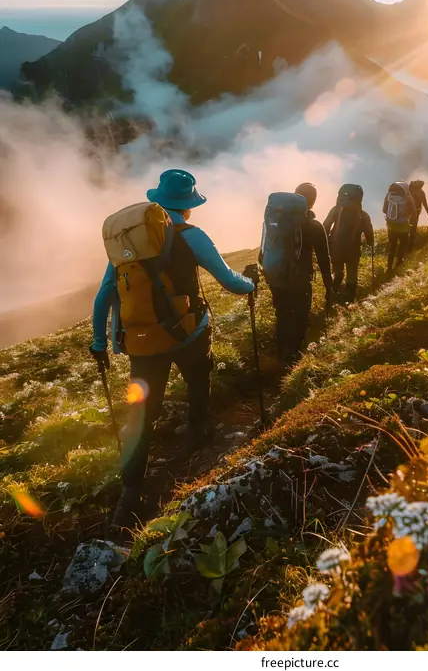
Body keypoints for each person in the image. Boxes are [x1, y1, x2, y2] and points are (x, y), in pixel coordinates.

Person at [90, 169, 257, 527]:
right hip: (188, 333)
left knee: (142, 414)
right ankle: (199, 432)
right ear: (189, 204)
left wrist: (99, 342)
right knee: (198, 377)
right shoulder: (192, 234)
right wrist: (251, 283)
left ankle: (131, 493)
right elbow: (229, 281)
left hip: (142, 342)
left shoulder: (130, 243)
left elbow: (105, 293)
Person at [261, 183, 332, 366]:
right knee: (300, 316)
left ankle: (280, 352)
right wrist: (328, 286)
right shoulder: (314, 225)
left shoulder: (275, 219)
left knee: (282, 314)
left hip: (276, 279)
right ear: (313, 201)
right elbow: (324, 258)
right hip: (300, 280)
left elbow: (263, 252)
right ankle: (292, 358)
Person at [324, 184, 374, 305]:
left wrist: (324, 242)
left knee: (337, 270)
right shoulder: (363, 215)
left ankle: (332, 293)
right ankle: (349, 299)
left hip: (335, 247)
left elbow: (325, 226)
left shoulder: (336, 210)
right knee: (352, 273)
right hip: (353, 249)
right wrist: (370, 242)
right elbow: (369, 233)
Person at [382, 181, 417, 277]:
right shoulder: (408, 197)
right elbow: (414, 212)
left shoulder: (388, 196)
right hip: (403, 226)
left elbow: (384, 210)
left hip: (391, 225)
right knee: (402, 244)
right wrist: (412, 224)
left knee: (392, 246)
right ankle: (398, 264)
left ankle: (389, 267)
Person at [408, 180, 428, 249]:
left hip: (407, 212)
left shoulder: (410, 190)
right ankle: (410, 245)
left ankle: (405, 244)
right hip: (416, 212)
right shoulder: (421, 193)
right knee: (413, 228)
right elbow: (425, 204)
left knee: (407, 227)